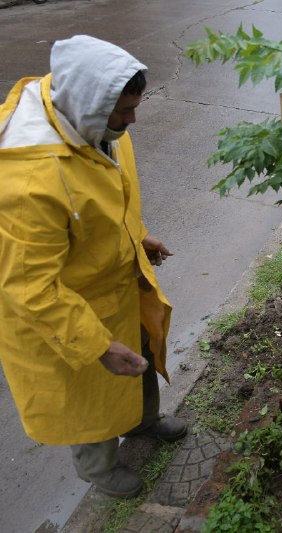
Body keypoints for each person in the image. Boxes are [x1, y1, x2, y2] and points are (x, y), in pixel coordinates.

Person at [0, 35, 186, 499]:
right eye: (123, 113)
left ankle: (142, 422)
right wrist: (98, 344)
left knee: (139, 358)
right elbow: (30, 289)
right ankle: (99, 472)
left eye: (133, 108)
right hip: (68, 315)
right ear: (88, 106)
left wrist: (137, 236)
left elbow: (101, 198)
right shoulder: (28, 182)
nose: (132, 121)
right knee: (87, 391)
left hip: (115, 286)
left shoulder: (94, 123)